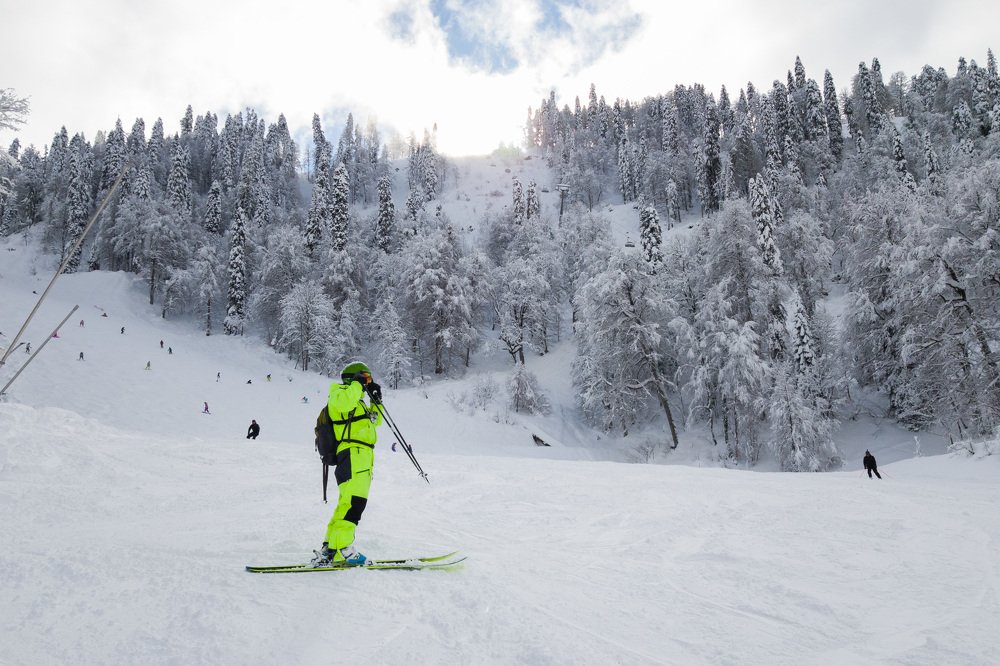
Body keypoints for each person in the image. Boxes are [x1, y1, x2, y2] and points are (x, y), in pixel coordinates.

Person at [311, 361, 384, 567]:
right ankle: (344, 549)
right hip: (352, 454)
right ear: (355, 378)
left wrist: (376, 400)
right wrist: (358, 386)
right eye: (365, 378)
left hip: (362, 456)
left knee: (347, 504)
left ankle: (331, 548)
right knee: (354, 504)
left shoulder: (357, 400)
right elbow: (342, 405)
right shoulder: (339, 393)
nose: (368, 383)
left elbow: (375, 421)